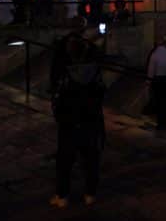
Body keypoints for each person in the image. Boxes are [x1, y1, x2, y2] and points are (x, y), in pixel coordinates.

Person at [49, 35, 105, 208]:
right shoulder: (95, 74)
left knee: (65, 161)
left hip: (70, 124)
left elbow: (58, 101)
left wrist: (60, 117)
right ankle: (90, 194)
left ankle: (63, 195)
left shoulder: (66, 76)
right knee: (91, 159)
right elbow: (100, 95)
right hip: (90, 122)